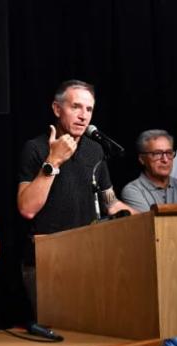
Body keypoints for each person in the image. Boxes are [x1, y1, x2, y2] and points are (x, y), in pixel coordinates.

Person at [17, 80, 133, 312]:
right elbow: (27, 208)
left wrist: (154, 219)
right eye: (76, 107)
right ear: (57, 109)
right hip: (48, 262)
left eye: (89, 109)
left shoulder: (95, 150)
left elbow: (110, 203)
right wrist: (53, 161)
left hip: (88, 259)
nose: (83, 115)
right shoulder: (36, 148)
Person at [121, 129, 177, 212]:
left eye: (169, 152)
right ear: (142, 159)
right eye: (157, 153)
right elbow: (151, 224)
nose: (165, 160)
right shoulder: (133, 191)